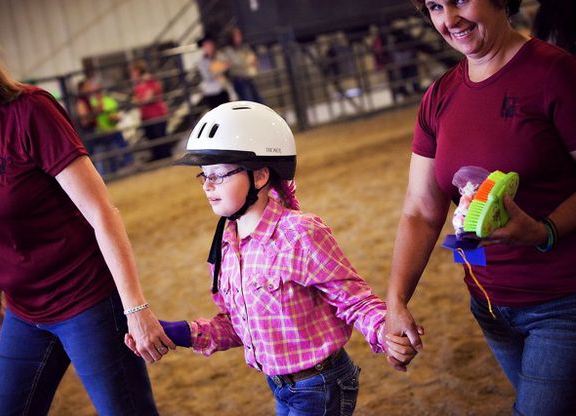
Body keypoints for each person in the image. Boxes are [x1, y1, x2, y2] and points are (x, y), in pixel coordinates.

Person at [126, 101, 417, 415]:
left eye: (219, 175)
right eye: (204, 176)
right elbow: (237, 325)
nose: (208, 186)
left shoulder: (299, 234)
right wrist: (178, 332)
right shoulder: (225, 245)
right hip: (282, 385)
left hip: (320, 384)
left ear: (261, 175)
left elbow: (354, 299)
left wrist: (385, 333)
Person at [0, 6, 174, 415]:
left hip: (86, 300)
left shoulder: (29, 111)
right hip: (24, 312)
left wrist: (135, 309)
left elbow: (102, 212)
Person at [384, 0, 576, 415]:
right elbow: (420, 208)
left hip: (562, 303)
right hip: (489, 307)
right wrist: (396, 301)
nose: (449, 19)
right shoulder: (439, 96)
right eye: (435, 6)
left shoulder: (555, 72)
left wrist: (545, 230)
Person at [130, 60, 171, 161]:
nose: (132, 76)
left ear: (140, 72)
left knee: (161, 138)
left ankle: (165, 159)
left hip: (157, 115)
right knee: (152, 139)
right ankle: (158, 159)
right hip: (146, 116)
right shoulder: (137, 86)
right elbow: (137, 99)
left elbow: (148, 98)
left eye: (134, 73)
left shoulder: (151, 81)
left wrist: (139, 100)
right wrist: (140, 100)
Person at [223, 27, 264, 103]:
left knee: (259, 101)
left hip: (248, 78)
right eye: (237, 36)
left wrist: (250, 61)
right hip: (239, 80)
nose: (239, 37)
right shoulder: (228, 51)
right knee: (249, 102)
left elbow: (252, 59)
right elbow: (237, 62)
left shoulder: (244, 47)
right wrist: (248, 61)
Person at [196, 34, 231, 109]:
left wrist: (220, 69)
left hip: (223, 89)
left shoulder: (220, 56)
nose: (209, 47)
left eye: (210, 44)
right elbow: (208, 77)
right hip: (212, 92)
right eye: (206, 45)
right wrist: (221, 69)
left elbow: (227, 66)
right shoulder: (202, 62)